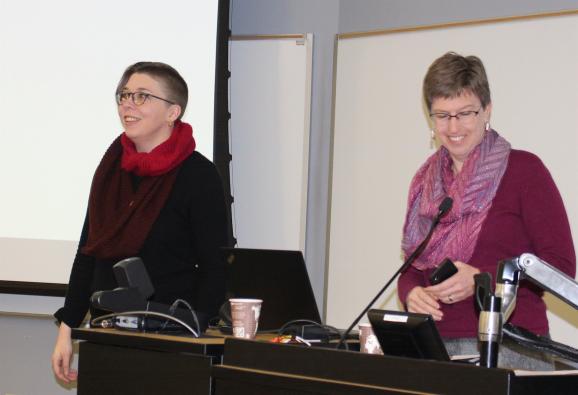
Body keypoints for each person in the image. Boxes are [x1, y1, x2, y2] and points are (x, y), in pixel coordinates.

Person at [51, 62, 229, 383]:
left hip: (172, 343)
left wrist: (193, 335)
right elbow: (87, 253)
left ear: (173, 112)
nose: (127, 104)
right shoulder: (111, 170)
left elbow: (216, 265)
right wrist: (68, 329)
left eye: (142, 96)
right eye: (124, 95)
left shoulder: (199, 176)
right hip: (107, 334)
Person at [397, 52, 575, 370]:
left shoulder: (525, 171)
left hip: (511, 347)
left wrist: (484, 280)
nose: (453, 127)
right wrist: (412, 295)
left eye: (465, 113)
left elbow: (560, 267)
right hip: (435, 348)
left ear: (487, 110)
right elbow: (412, 268)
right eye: (442, 115)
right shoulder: (425, 182)